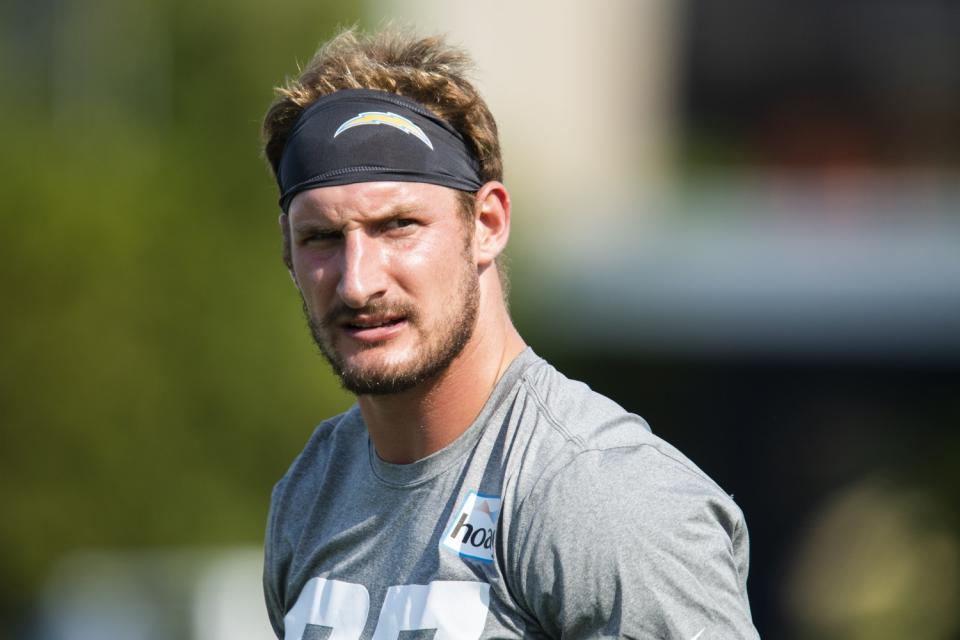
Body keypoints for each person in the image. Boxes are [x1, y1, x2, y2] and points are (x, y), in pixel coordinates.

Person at [260, 27, 759, 639]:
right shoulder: (312, 491)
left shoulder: (601, 494)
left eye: (397, 225)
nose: (358, 283)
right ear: (287, 247)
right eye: (322, 238)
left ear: (488, 224)